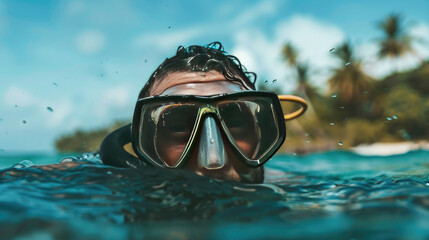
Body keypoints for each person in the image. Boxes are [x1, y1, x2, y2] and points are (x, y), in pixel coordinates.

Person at [99, 42, 307, 183]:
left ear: (261, 136)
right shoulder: (98, 190)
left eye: (235, 122)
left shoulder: (300, 194)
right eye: (179, 128)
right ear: (147, 148)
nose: (213, 161)